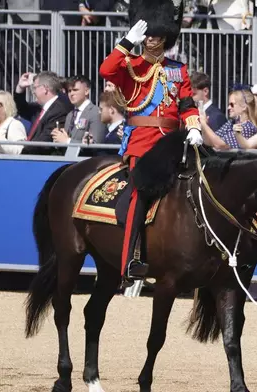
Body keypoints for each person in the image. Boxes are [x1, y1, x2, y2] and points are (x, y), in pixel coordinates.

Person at [98, 0, 202, 283]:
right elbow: (106, 70)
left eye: (158, 34)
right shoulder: (131, 65)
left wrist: (194, 125)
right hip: (142, 144)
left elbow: (188, 105)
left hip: (173, 144)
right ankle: (129, 259)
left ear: (166, 35)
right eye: (149, 34)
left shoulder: (177, 70)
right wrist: (125, 43)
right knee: (139, 195)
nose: (153, 38)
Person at [14, 71, 72, 156]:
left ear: (45, 89)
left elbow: (44, 140)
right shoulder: (40, 108)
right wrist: (20, 88)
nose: (33, 92)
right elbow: (22, 109)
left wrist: (22, 153)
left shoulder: (59, 110)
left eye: (35, 88)